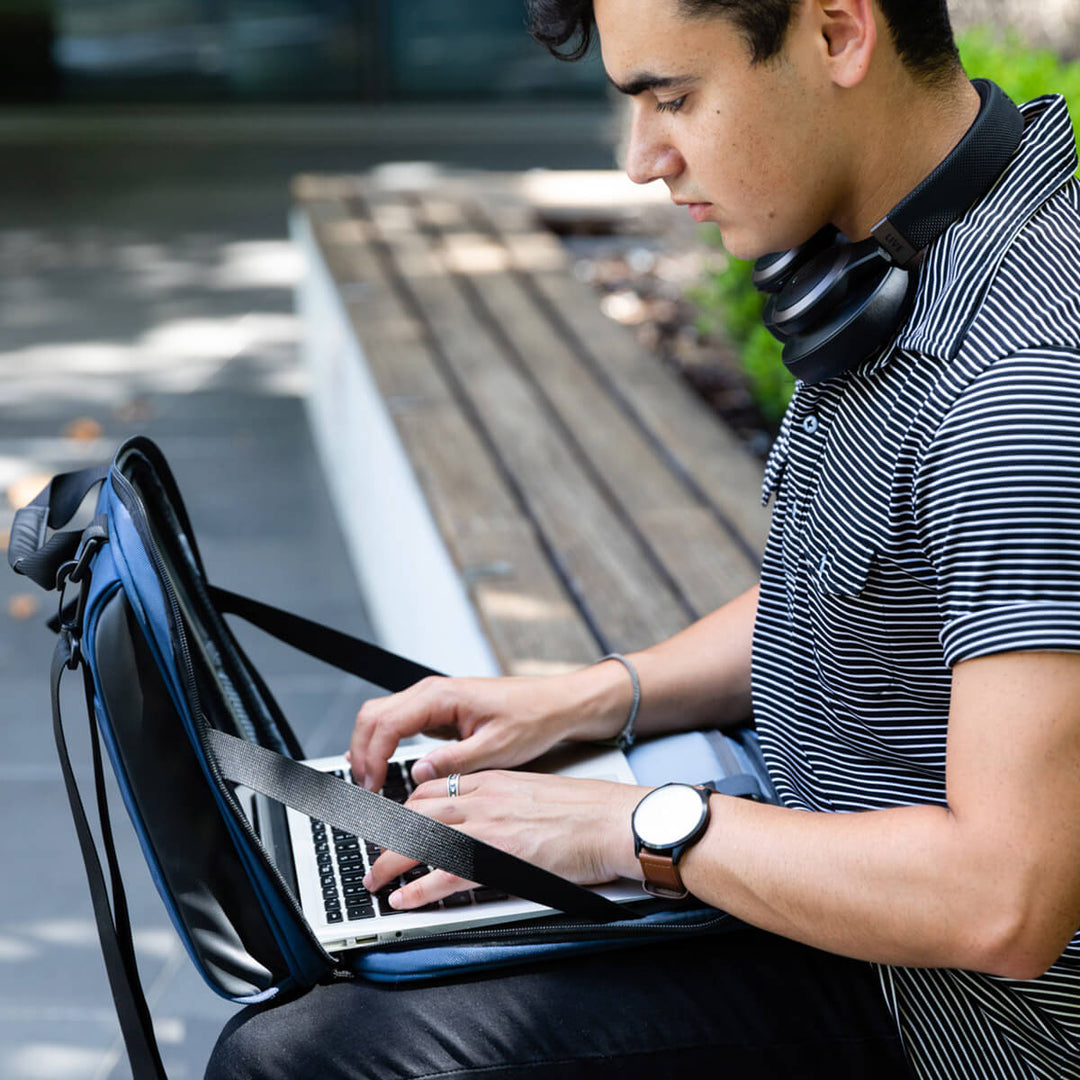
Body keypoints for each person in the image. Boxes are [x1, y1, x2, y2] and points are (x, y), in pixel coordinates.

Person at [206, 0, 1080, 1076]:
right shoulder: (891, 263)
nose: (642, 160)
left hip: (942, 1014)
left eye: (673, 97)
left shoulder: (1023, 388)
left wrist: (634, 828)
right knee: (335, 954)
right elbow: (877, 588)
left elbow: (1002, 902)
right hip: (807, 856)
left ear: (841, 32)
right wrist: (592, 695)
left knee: (301, 1056)